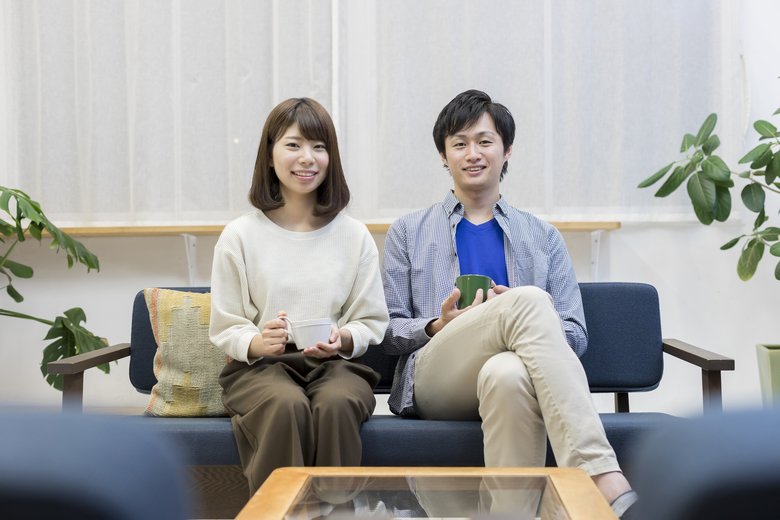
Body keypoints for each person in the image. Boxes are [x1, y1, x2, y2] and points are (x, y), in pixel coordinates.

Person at [380, 89, 637, 518]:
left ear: (507, 150)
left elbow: (574, 334)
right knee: (529, 300)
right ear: (444, 156)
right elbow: (387, 330)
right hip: (435, 379)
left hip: (512, 374)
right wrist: (435, 326)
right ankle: (599, 476)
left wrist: (521, 325)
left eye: (484, 141)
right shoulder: (408, 232)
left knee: (508, 373)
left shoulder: (543, 237)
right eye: (459, 143)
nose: (472, 153)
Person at [209, 97, 389, 495]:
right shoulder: (240, 235)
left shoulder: (354, 235)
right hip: (261, 369)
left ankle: (336, 510)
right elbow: (225, 323)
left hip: (335, 367)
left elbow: (371, 321)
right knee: (285, 405)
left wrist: (342, 338)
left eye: (319, 147)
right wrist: (257, 341)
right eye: (293, 145)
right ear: (270, 155)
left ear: (331, 158)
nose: (307, 158)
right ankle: (278, 509)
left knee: (338, 403)